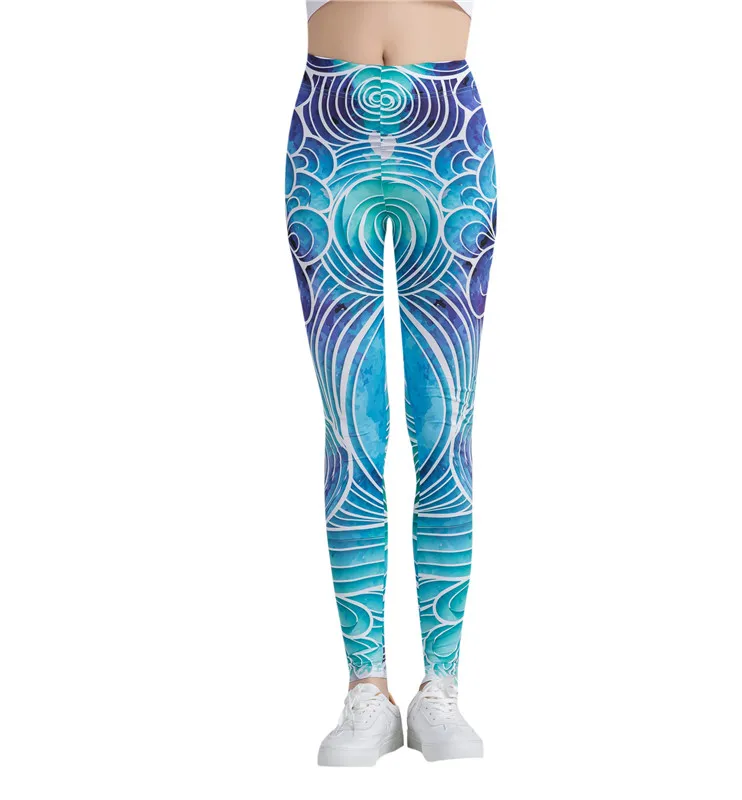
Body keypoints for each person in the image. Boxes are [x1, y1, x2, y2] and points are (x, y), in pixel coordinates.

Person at [285, 0, 497, 766]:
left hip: (449, 138)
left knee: (446, 424)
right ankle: (366, 688)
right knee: (351, 427)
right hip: (326, 135)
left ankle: (441, 687)